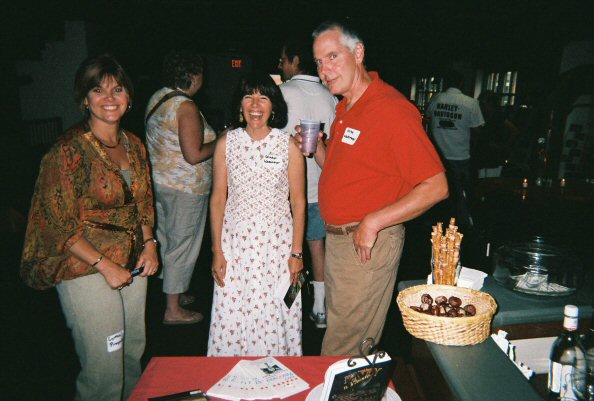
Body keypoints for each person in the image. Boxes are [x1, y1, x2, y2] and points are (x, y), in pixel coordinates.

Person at [298, 21, 448, 356]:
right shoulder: (345, 107)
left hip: (366, 243)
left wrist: (373, 222)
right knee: (347, 336)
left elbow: (436, 186)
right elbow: (346, 173)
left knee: (343, 346)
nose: (324, 70)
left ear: (358, 53)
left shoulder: (391, 110)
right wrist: (317, 150)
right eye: (319, 62)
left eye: (332, 57)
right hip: (339, 240)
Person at [20, 54, 158, 401]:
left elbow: (143, 202)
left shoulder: (134, 145)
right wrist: (105, 265)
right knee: (104, 369)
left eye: (117, 89)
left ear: (129, 97)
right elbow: (56, 222)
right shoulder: (67, 152)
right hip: (85, 268)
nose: (109, 98)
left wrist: (151, 243)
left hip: (133, 263)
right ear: (84, 99)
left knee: (132, 353)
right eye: (98, 90)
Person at [208, 72, 306, 356]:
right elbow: (217, 199)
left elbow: (298, 203)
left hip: (277, 247)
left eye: (263, 97)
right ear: (239, 105)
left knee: (277, 309)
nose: (255, 104)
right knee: (233, 310)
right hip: (236, 245)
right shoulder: (227, 143)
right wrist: (217, 250)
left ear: (274, 106)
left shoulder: (287, 146)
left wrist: (296, 254)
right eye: (248, 96)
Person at [145, 50, 216, 325]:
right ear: (194, 76)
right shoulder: (185, 106)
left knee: (166, 241)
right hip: (185, 188)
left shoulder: (158, 97)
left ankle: (172, 293)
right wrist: (220, 140)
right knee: (182, 246)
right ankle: (172, 310)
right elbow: (194, 154)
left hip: (160, 183)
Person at [278, 36, 338, 329]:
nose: (280, 64)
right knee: (316, 246)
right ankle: (320, 308)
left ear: (295, 60)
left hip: (284, 190)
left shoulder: (281, 93)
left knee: (285, 248)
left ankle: (286, 307)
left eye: (283, 59)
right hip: (318, 186)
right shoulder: (331, 96)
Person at [425, 69, 485, 229]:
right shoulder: (471, 103)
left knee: (438, 193)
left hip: (438, 156)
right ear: (462, 84)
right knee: (463, 194)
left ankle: (438, 223)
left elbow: (429, 121)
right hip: (460, 156)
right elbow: (478, 131)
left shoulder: (436, 99)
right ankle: (465, 225)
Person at [475, 91, 521, 178]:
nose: (481, 105)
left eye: (483, 102)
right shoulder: (484, 115)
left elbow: (515, 131)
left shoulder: (499, 115)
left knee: (491, 180)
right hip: (482, 154)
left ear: (490, 102)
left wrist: (504, 145)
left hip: (494, 156)